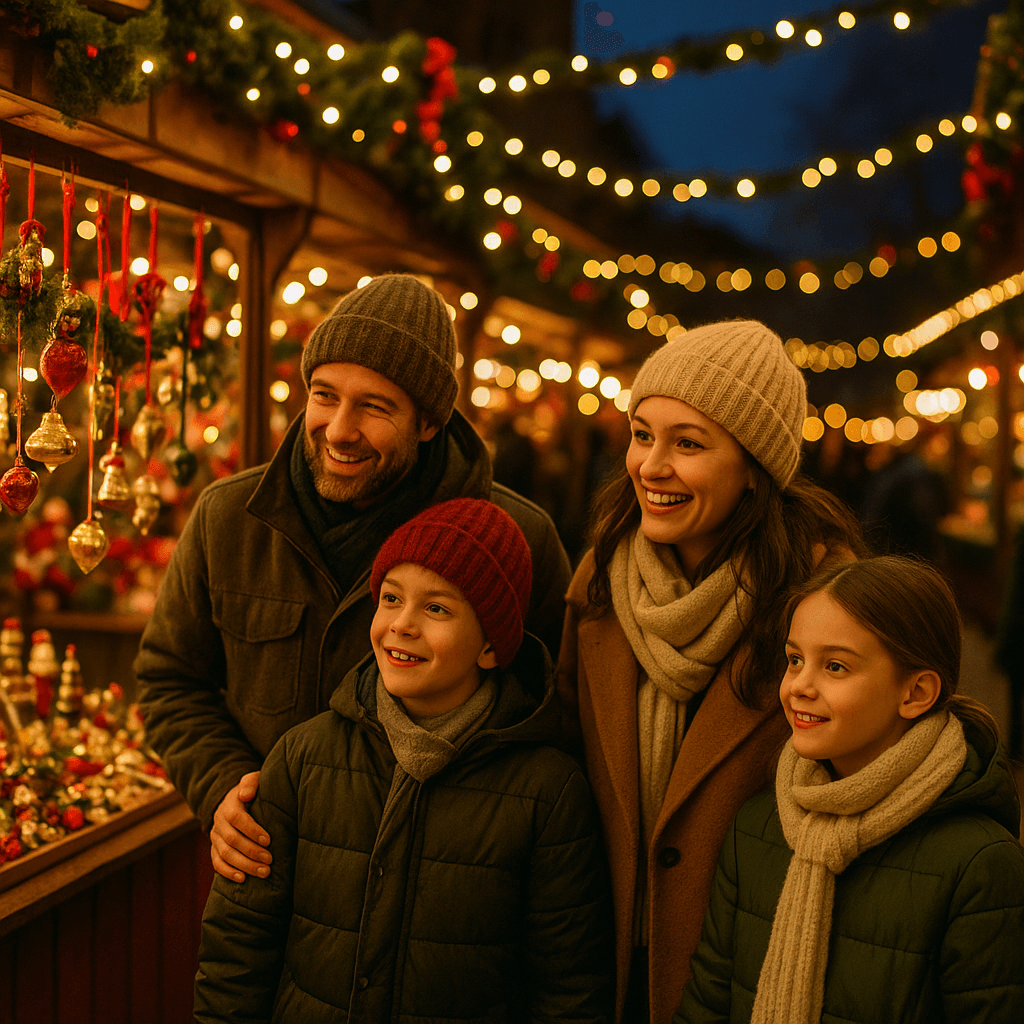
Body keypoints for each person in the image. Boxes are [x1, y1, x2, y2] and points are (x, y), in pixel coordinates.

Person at [135, 274, 571, 884]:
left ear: (427, 422)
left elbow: (553, 721)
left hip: (440, 899)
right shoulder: (227, 518)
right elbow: (168, 679)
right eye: (324, 394)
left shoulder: (517, 539)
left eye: (374, 406)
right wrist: (222, 787)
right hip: (268, 877)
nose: (339, 428)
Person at [194, 498, 614, 1024]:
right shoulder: (302, 758)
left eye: (436, 608)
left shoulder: (548, 793)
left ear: (490, 645)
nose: (402, 625)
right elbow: (237, 948)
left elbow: (569, 989)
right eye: (391, 598)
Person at [556, 320, 863, 1024]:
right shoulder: (598, 586)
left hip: (747, 972)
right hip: (600, 963)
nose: (649, 466)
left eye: (687, 443)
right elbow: (562, 759)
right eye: (641, 434)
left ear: (754, 468)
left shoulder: (823, 607)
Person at [675, 555, 1024, 1024]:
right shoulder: (758, 827)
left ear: (916, 693)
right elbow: (707, 1004)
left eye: (835, 666)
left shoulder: (980, 863)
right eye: (794, 659)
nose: (799, 685)